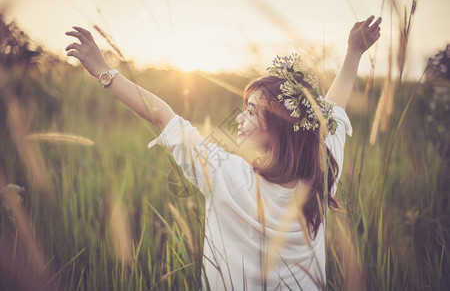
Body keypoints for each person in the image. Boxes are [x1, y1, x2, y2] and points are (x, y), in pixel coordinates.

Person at [66, 15, 381, 290]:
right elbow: (332, 107)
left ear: (279, 129)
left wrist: (105, 72)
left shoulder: (225, 175)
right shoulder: (319, 172)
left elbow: (163, 116)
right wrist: (353, 52)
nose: (240, 119)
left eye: (252, 112)